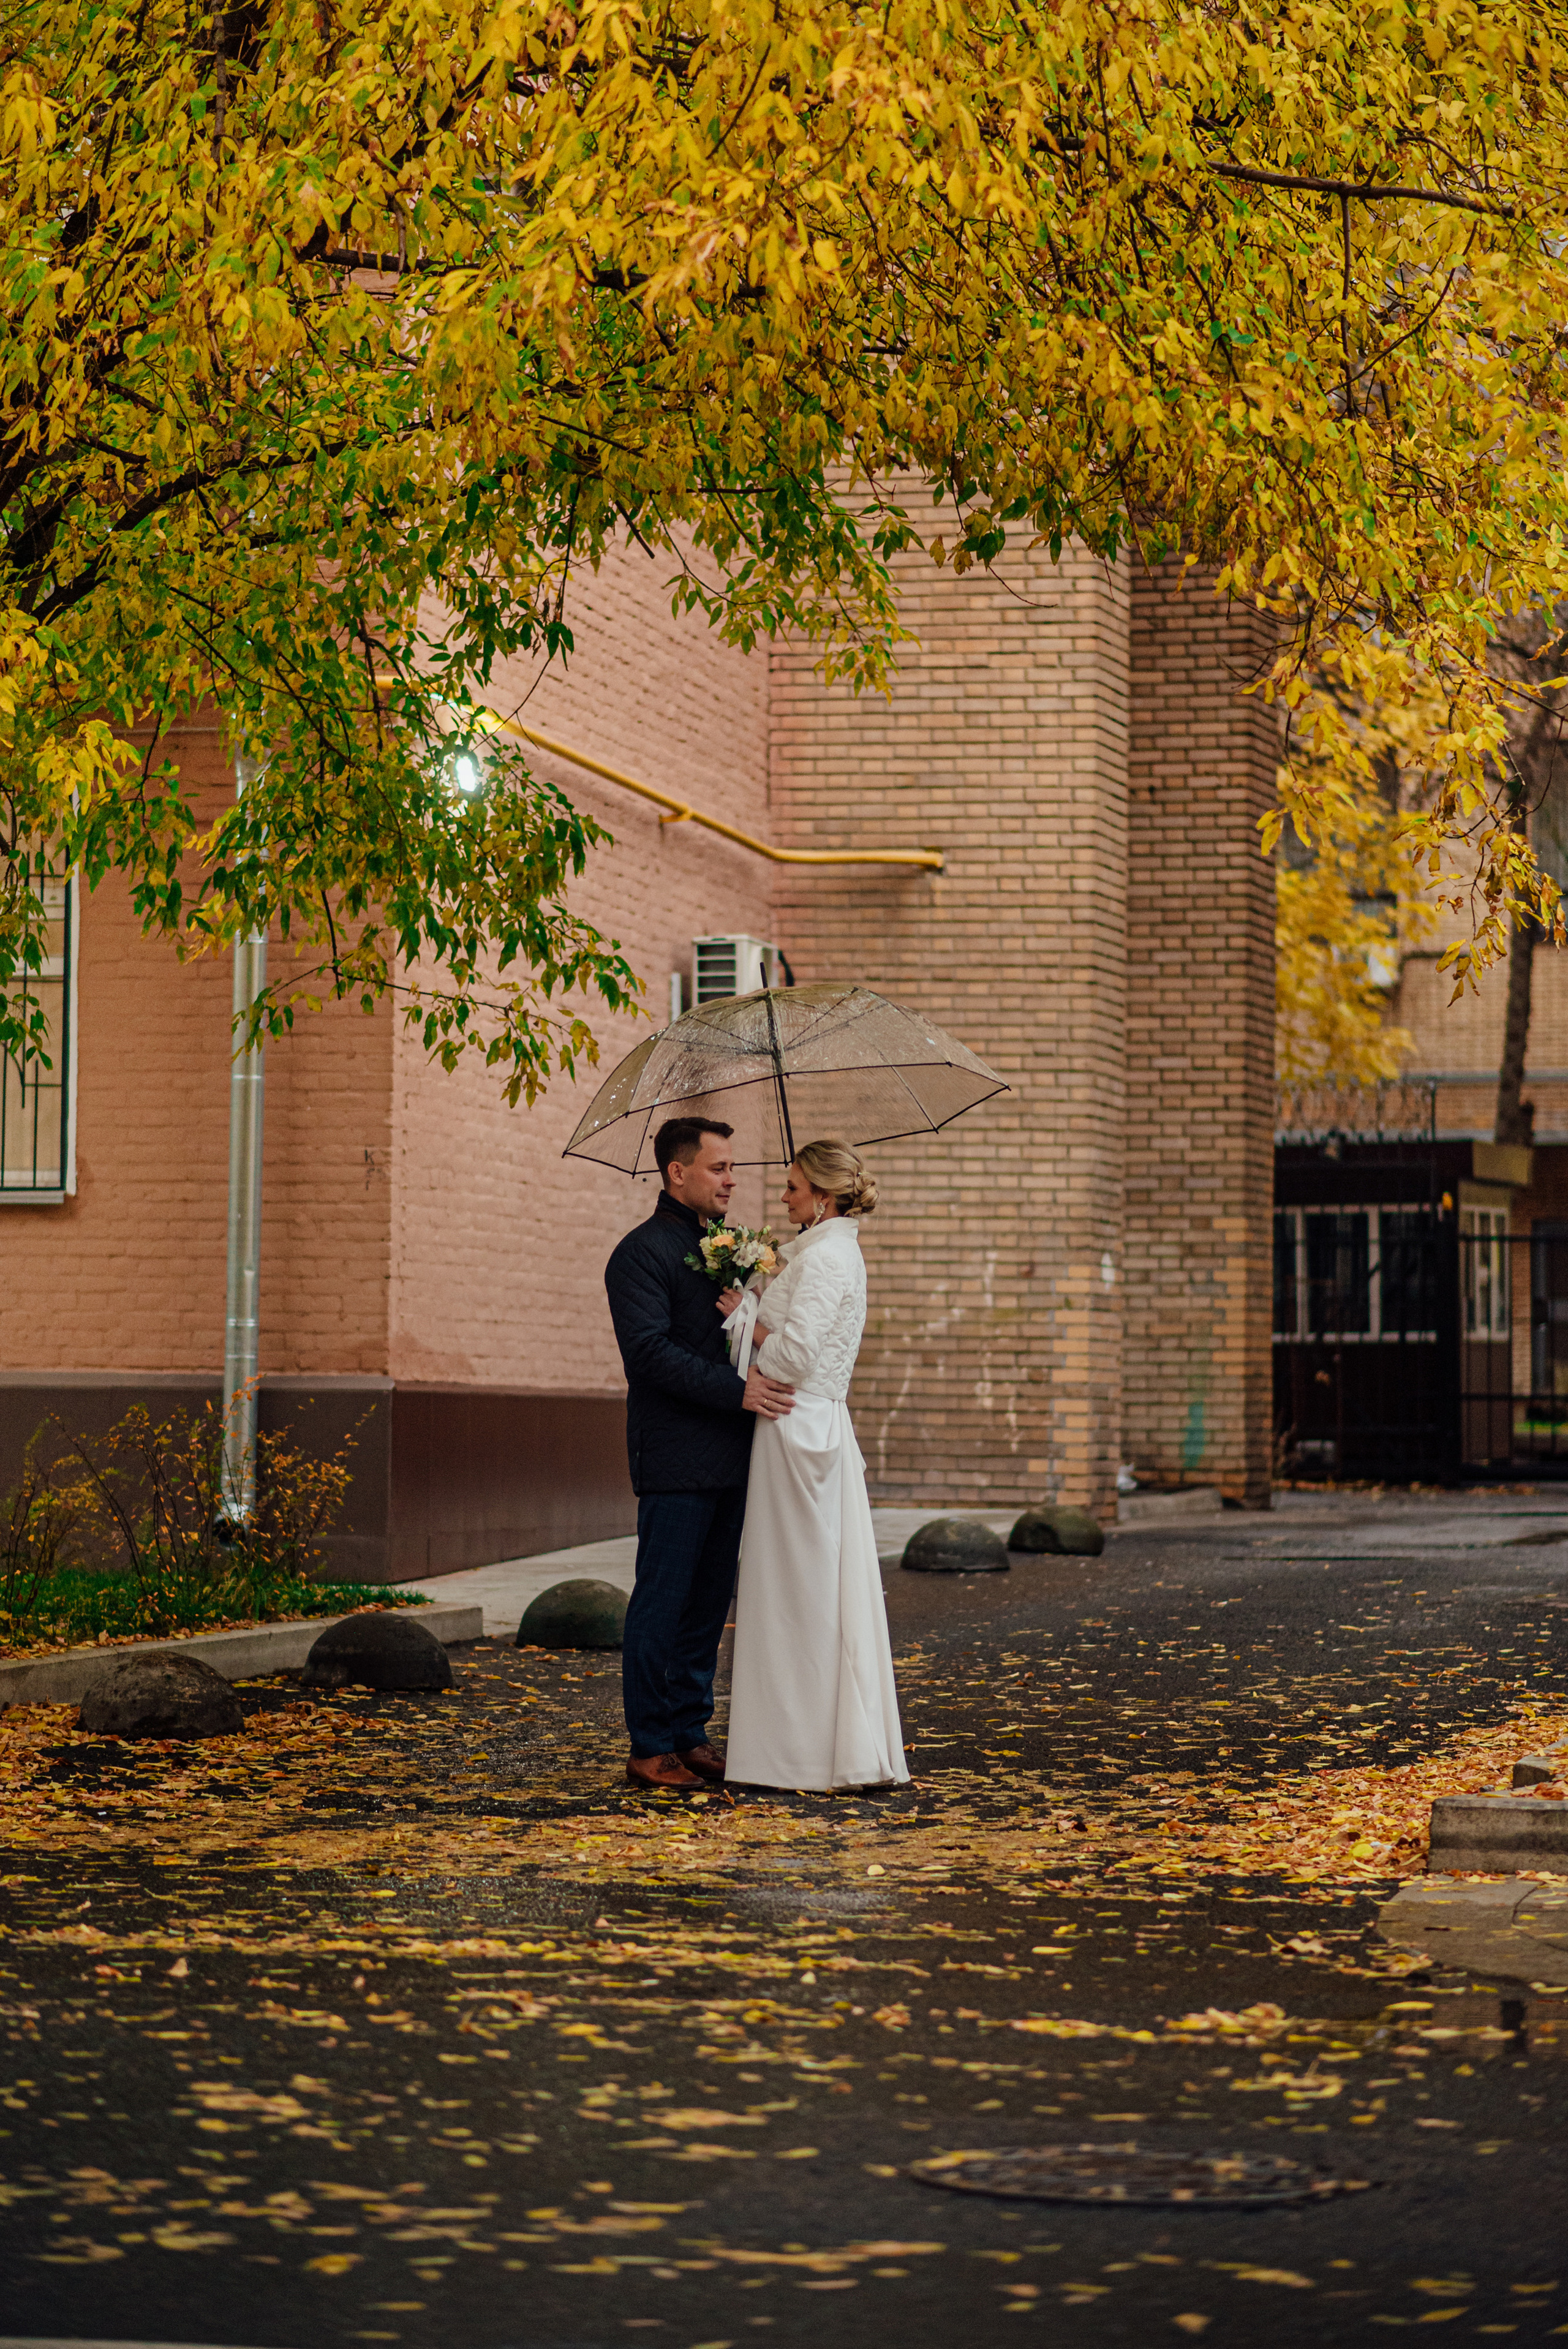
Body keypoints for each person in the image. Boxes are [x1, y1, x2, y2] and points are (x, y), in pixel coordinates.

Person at [604, 1117, 796, 1792]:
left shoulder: (727, 1249)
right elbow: (649, 1355)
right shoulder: (639, 1254)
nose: (731, 1179)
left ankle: (690, 1731)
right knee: (663, 1602)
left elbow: (731, 1340)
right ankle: (650, 1743)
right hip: (674, 1456)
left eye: (733, 1167)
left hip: (733, 1453)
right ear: (677, 1172)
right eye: (719, 1167)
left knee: (710, 1605)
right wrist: (736, 1389)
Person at [722, 1138, 910, 1792]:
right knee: (798, 1583)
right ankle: (794, 1745)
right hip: (801, 1424)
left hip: (796, 1424)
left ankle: (801, 1751)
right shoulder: (821, 1250)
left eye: (793, 1188)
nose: (783, 1196)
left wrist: (745, 1320)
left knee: (798, 1587)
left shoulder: (829, 1257)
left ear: (823, 1197)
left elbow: (795, 1356)